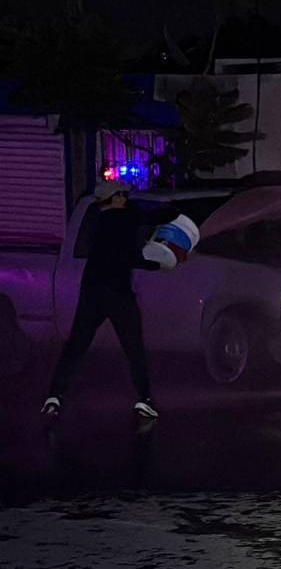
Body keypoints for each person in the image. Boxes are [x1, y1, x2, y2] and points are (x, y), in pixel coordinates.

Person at [41, 180, 178, 419]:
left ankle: (55, 395)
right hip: (117, 292)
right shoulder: (124, 218)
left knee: (76, 345)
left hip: (92, 291)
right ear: (114, 198)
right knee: (133, 347)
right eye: (122, 194)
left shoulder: (95, 221)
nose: (126, 198)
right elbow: (158, 219)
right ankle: (144, 399)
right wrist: (160, 262)